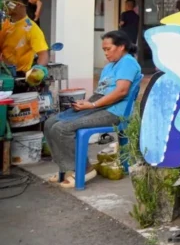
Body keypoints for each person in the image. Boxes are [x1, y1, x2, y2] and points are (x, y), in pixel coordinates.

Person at [43, 30, 142, 188]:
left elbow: (121, 91)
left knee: (62, 128)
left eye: (108, 49)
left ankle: (84, 169)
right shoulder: (109, 67)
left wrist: (93, 105)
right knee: (50, 123)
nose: (106, 53)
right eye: (104, 50)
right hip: (99, 106)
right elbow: (101, 92)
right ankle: (66, 168)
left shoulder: (128, 63)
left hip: (115, 111)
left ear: (121, 46)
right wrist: (86, 103)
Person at [1, 0, 49, 76]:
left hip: (18, 76)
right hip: (3, 72)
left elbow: (43, 54)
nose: (5, 6)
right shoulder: (5, 24)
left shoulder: (32, 28)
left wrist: (38, 69)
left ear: (18, 5)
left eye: (8, 3)